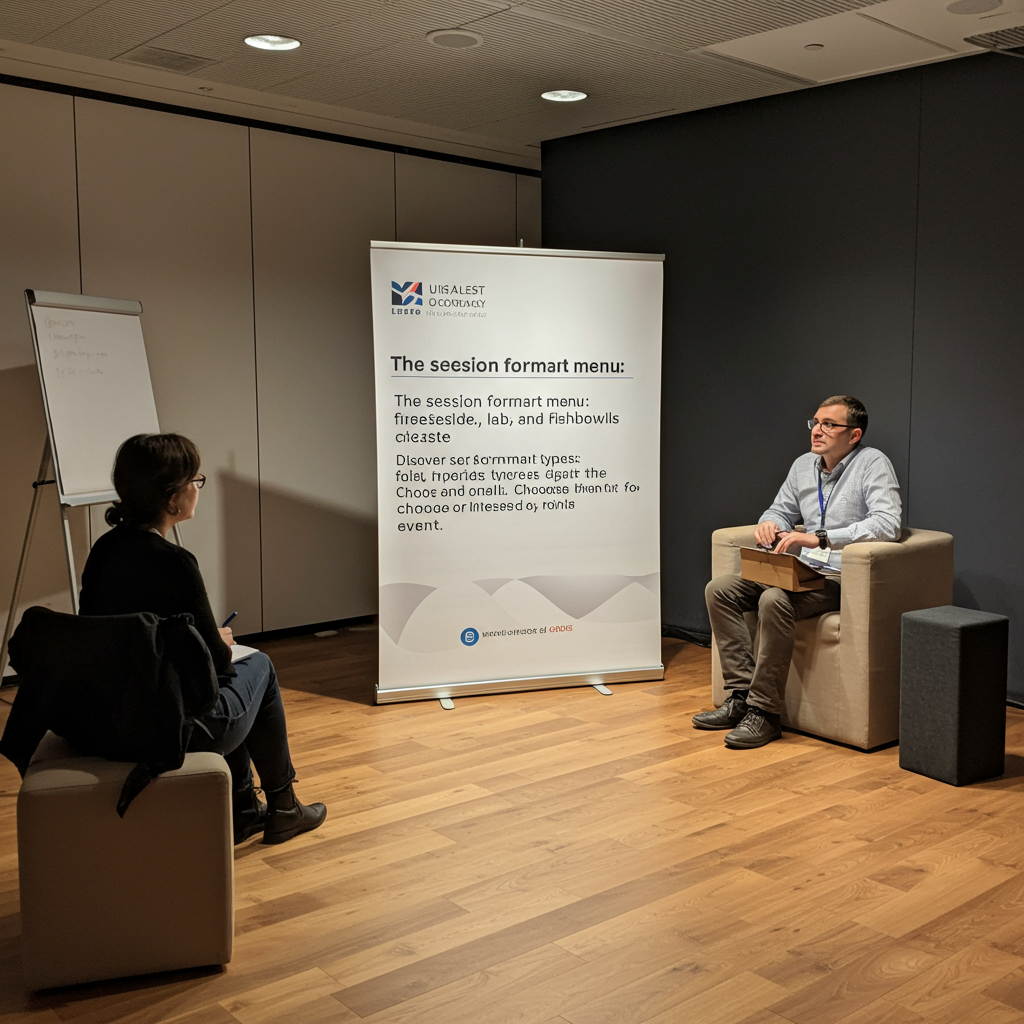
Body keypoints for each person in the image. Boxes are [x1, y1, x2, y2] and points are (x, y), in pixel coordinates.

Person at [79, 433, 327, 844]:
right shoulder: (175, 561)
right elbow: (215, 662)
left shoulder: (103, 550)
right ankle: (283, 806)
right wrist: (219, 642)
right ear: (172, 498)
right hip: (171, 724)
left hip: (109, 714)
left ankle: (245, 810)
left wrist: (204, 641)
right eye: (194, 479)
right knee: (258, 666)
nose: (198, 487)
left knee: (234, 678)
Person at [694, 395, 901, 749]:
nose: (817, 431)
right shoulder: (804, 465)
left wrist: (820, 538)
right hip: (796, 568)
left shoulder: (872, 464)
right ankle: (740, 697)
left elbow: (887, 524)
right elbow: (779, 509)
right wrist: (769, 524)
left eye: (828, 425)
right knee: (720, 589)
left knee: (775, 599)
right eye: (815, 422)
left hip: (837, 576)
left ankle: (765, 713)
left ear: (853, 435)